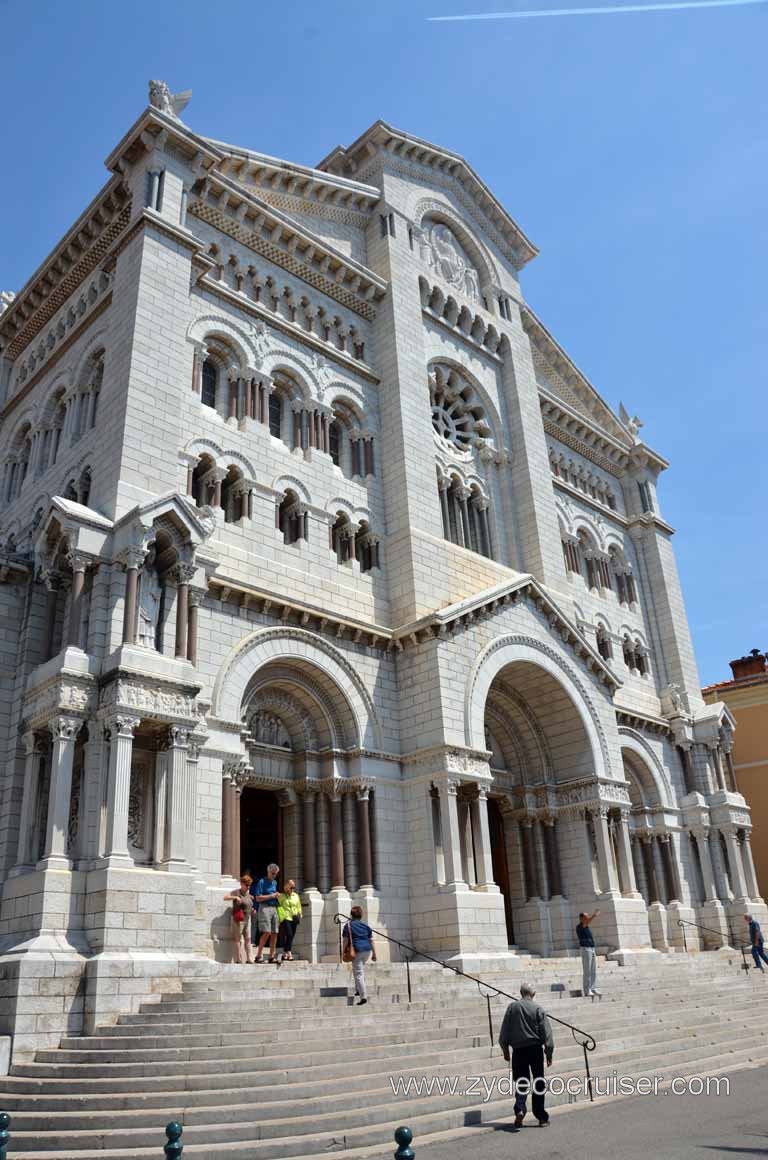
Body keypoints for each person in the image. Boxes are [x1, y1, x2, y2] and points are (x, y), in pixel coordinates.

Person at [499, 982, 554, 1129]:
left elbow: (504, 1031)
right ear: (533, 994)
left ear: (521, 993)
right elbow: (546, 1033)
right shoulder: (538, 1008)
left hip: (518, 1051)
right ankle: (541, 1116)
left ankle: (520, 1109)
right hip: (535, 1050)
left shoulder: (512, 1007)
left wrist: (505, 1049)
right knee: (538, 1082)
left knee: (522, 1081)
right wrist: (549, 1052)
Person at [342, 905, 376, 1005]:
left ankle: (363, 997)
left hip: (357, 951)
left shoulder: (348, 926)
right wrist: (374, 954)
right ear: (361, 915)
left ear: (351, 915)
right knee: (358, 970)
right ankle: (358, 989)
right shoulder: (366, 926)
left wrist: (343, 951)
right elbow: (371, 940)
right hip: (367, 951)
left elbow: (345, 940)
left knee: (359, 974)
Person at [252, 863, 280, 964]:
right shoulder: (262, 882)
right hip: (264, 907)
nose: (274, 875)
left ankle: (272, 956)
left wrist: (276, 897)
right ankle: (258, 956)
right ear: (268, 872)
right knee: (266, 932)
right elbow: (258, 898)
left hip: (274, 908)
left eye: (276, 874)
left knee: (275, 932)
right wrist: (272, 896)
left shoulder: (275, 883)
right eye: (272, 873)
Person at [223, 874, 254, 964]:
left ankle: (249, 958)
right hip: (239, 920)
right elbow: (225, 897)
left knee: (248, 939)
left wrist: (252, 910)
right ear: (241, 884)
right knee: (237, 939)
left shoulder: (249, 895)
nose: (248, 887)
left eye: (249, 885)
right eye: (246, 885)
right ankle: (238, 959)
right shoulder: (237, 892)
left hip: (247, 919)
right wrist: (235, 897)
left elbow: (248, 906)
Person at [576, 909, 601, 998]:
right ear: (581, 918)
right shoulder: (580, 926)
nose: (588, 918)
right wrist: (594, 915)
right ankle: (587, 990)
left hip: (591, 948)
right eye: (586, 917)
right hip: (586, 949)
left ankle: (593, 988)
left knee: (593, 970)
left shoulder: (586, 926)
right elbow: (588, 921)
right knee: (587, 970)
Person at [277, 879, 302, 961]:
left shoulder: (296, 895)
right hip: (286, 917)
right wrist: (280, 917)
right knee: (289, 934)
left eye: (293, 888)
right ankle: (289, 952)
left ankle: (284, 953)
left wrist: (300, 913)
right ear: (287, 888)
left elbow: (298, 906)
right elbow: (279, 906)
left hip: (294, 917)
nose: (292, 889)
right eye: (291, 887)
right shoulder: (282, 896)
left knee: (291, 936)